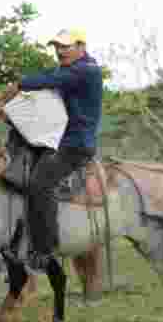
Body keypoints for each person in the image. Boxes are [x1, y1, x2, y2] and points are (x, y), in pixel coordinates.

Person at [10, 28, 103, 270]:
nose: (59, 51)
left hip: (75, 144)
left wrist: (18, 84)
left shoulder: (86, 70)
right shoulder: (66, 69)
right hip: (58, 138)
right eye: (57, 47)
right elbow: (46, 79)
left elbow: (48, 80)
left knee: (40, 183)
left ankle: (44, 249)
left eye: (65, 46)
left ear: (81, 47)